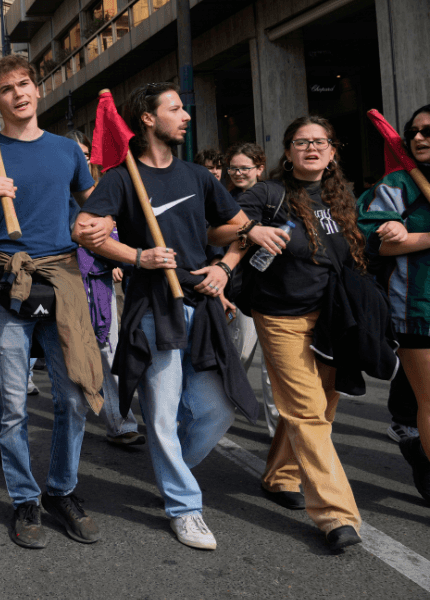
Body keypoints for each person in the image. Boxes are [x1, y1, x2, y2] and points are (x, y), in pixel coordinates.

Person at [74, 82, 253, 551]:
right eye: (176, 108)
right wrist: (138, 257)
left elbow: (240, 229)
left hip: (201, 306)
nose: (186, 116)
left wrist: (224, 267)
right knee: (161, 416)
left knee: (217, 410)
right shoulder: (121, 178)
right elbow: (85, 231)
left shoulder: (197, 176)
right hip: (153, 308)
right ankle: (184, 506)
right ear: (148, 118)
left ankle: (173, 470)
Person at [0, 56, 105, 550]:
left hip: (62, 280)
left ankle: (62, 490)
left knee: (73, 397)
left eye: (24, 84)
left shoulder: (67, 150)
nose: (18, 94)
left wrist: (106, 225)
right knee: (13, 406)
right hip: (6, 282)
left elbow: (96, 206)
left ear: (38, 90)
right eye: (6, 89)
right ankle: (24, 498)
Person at [235, 115, 368, 549]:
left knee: (322, 406)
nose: (311, 148)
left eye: (320, 142)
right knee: (307, 411)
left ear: (332, 152)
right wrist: (251, 229)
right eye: (301, 142)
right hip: (281, 317)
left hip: (332, 316)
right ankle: (336, 515)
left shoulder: (341, 197)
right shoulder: (268, 194)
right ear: (288, 151)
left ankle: (280, 476)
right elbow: (221, 225)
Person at [359, 103, 430, 504]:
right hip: (417, 309)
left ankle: (415, 443)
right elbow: (377, 244)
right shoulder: (397, 184)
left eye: (428, 131)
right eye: (412, 131)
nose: (418, 137)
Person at [64, 129, 143, 447]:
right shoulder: (54, 187)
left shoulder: (103, 190)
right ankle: (69, 425)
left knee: (108, 348)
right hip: (61, 278)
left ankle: (121, 421)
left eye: (84, 154)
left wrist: (115, 259)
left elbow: (116, 232)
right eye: (73, 154)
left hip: (99, 278)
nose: (79, 160)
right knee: (67, 352)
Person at [221, 142, 279, 436]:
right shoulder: (224, 201)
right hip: (239, 292)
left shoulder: (276, 198)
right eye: (233, 168)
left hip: (276, 292)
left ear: (260, 168)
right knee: (240, 354)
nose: (238, 173)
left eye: (245, 168)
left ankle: (279, 432)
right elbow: (213, 241)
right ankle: (217, 413)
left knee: (275, 367)